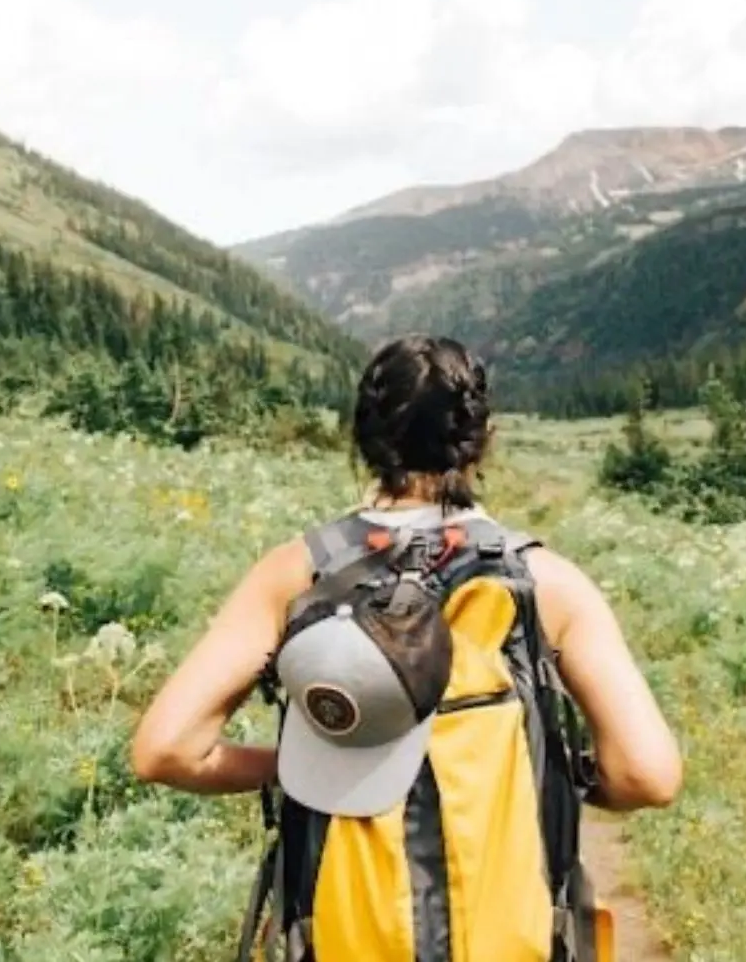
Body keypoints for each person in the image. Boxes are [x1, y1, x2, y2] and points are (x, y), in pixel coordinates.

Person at [131, 333, 683, 959]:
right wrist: (557, 772)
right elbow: (648, 774)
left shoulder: (296, 574)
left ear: (363, 439)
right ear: (484, 438)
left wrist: (307, 765)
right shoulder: (546, 583)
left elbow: (165, 751)